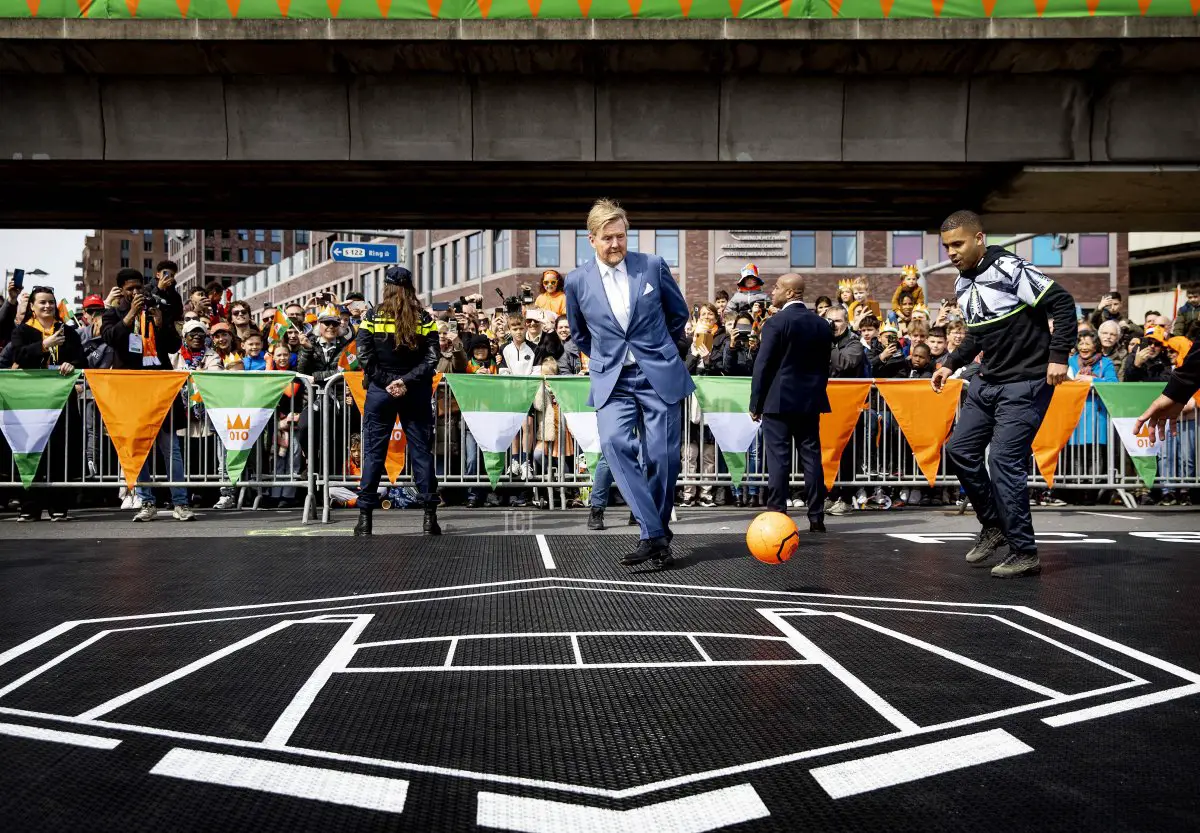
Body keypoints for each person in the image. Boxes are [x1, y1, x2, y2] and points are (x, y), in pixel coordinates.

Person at [931, 210, 1076, 579]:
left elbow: (1062, 303)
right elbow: (978, 334)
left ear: (979, 239)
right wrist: (949, 363)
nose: (951, 252)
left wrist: (1058, 356)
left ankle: (1024, 552)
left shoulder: (1010, 268)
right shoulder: (963, 282)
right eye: (947, 246)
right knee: (960, 450)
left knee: (1004, 462)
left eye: (958, 244)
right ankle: (993, 525)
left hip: (1025, 382)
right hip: (988, 380)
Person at [564, 199, 692, 568]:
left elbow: (678, 314)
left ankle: (654, 538)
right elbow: (579, 333)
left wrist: (659, 349)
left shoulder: (652, 265)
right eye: (608, 238)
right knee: (614, 444)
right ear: (591, 240)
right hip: (612, 378)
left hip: (659, 374)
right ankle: (655, 533)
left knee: (663, 459)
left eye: (621, 236)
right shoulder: (576, 281)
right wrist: (608, 356)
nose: (616, 244)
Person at [353, 266, 440, 537]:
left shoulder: (372, 316)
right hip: (414, 391)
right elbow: (431, 358)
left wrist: (387, 381)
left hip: (381, 391)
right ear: (410, 286)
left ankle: (365, 520)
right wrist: (406, 382)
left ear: (386, 286)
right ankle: (429, 519)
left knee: (374, 455)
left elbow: (364, 355)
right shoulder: (424, 318)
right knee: (421, 455)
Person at [750, 274, 832, 532]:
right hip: (810, 401)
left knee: (779, 460)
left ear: (789, 293)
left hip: (778, 401)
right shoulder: (822, 325)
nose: (771, 291)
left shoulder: (775, 323)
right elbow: (824, 366)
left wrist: (756, 403)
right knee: (812, 459)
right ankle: (817, 517)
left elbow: (762, 365)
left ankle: (777, 516)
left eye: (776, 287)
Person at [9, 286, 85, 521]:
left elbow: (80, 358)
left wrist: (71, 364)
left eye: (51, 302)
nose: (47, 306)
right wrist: (45, 344)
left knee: (60, 450)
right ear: (32, 306)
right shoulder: (22, 330)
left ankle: (58, 506)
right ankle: (29, 506)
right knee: (31, 451)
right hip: (31, 402)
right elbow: (18, 356)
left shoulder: (68, 331)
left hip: (61, 399)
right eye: (42, 302)